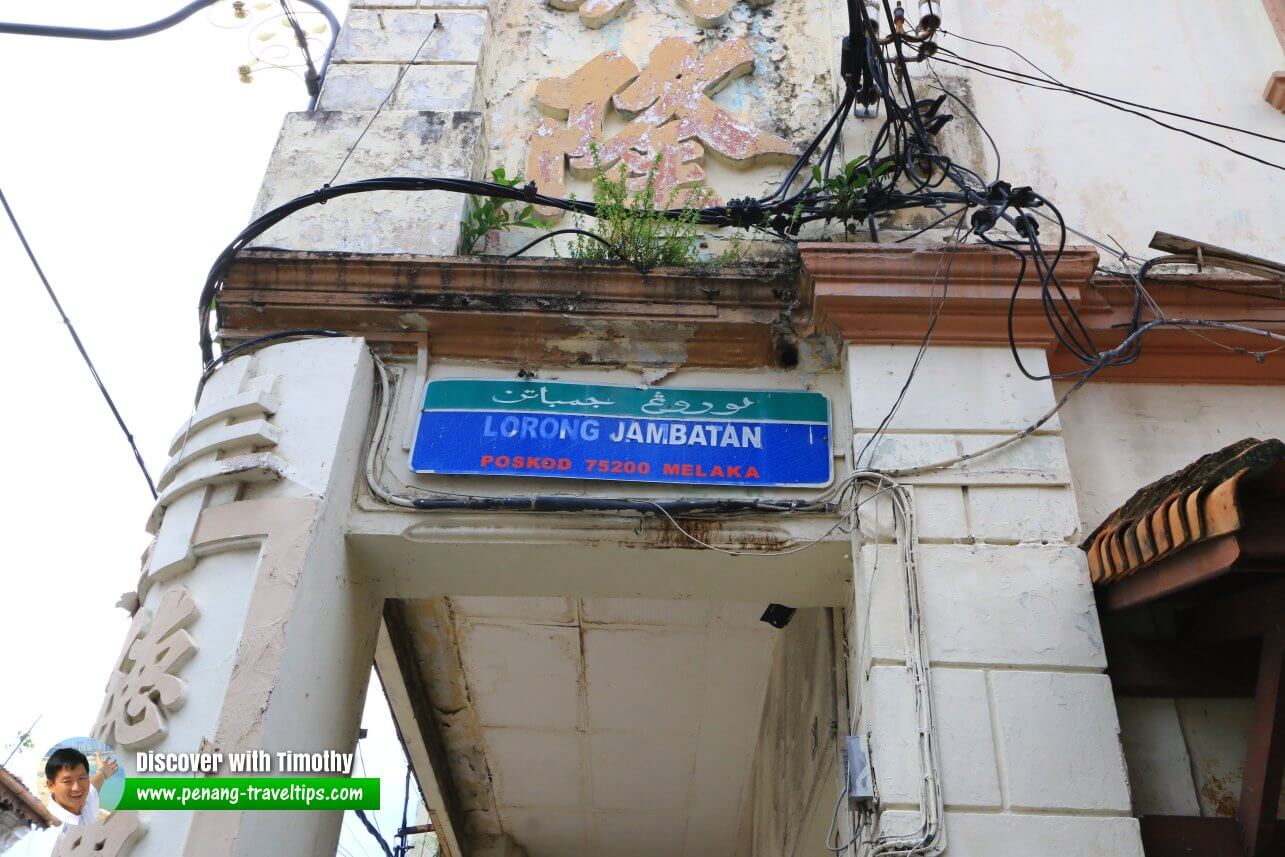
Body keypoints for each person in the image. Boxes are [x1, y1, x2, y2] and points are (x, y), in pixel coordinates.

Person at [44, 746, 118, 826]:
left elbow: (93, 786)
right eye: (67, 781)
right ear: (51, 785)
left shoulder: (85, 800)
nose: (77, 788)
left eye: (82, 778)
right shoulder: (55, 824)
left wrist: (103, 772)